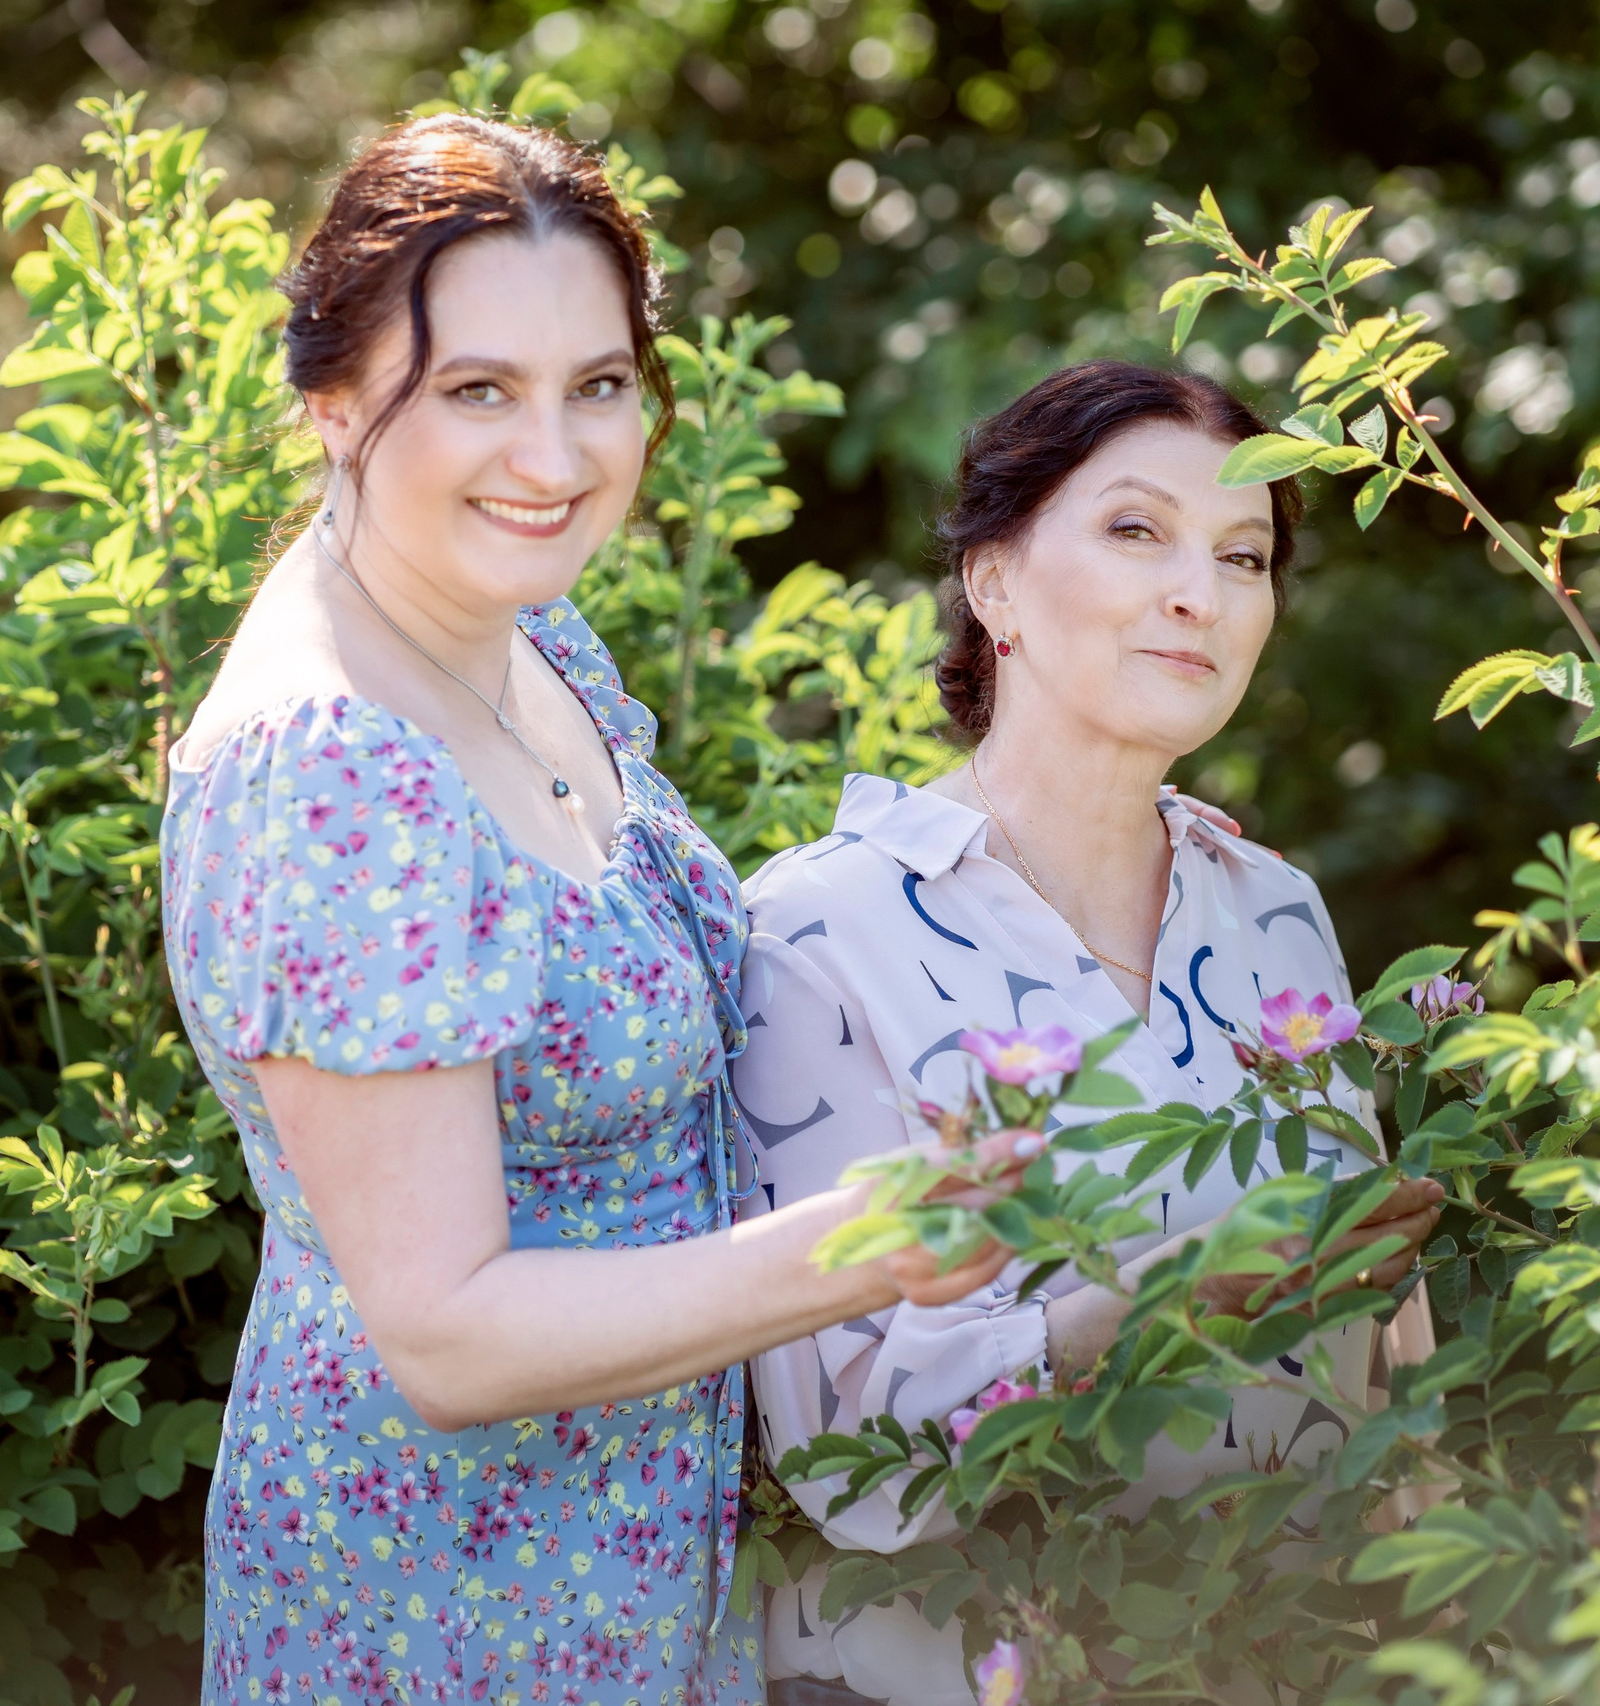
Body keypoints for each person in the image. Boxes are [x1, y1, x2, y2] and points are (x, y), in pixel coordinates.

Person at [159, 113, 1038, 1706]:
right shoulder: (337, 772)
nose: (556, 461)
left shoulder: (520, 636)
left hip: (631, 1583)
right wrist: (852, 1247)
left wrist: (1069, 822)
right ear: (335, 397)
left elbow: (660, 975)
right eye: (478, 390)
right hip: (442, 1620)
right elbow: (446, 1333)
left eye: (601, 387)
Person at [736, 362, 1446, 1706]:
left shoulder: (1276, 908)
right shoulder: (818, 931)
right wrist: (1158, 1303)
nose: (1204, 591)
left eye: (1245, 556)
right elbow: (847, 1460)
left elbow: (1382, 1344)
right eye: (1137, 530)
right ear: (993, 580)